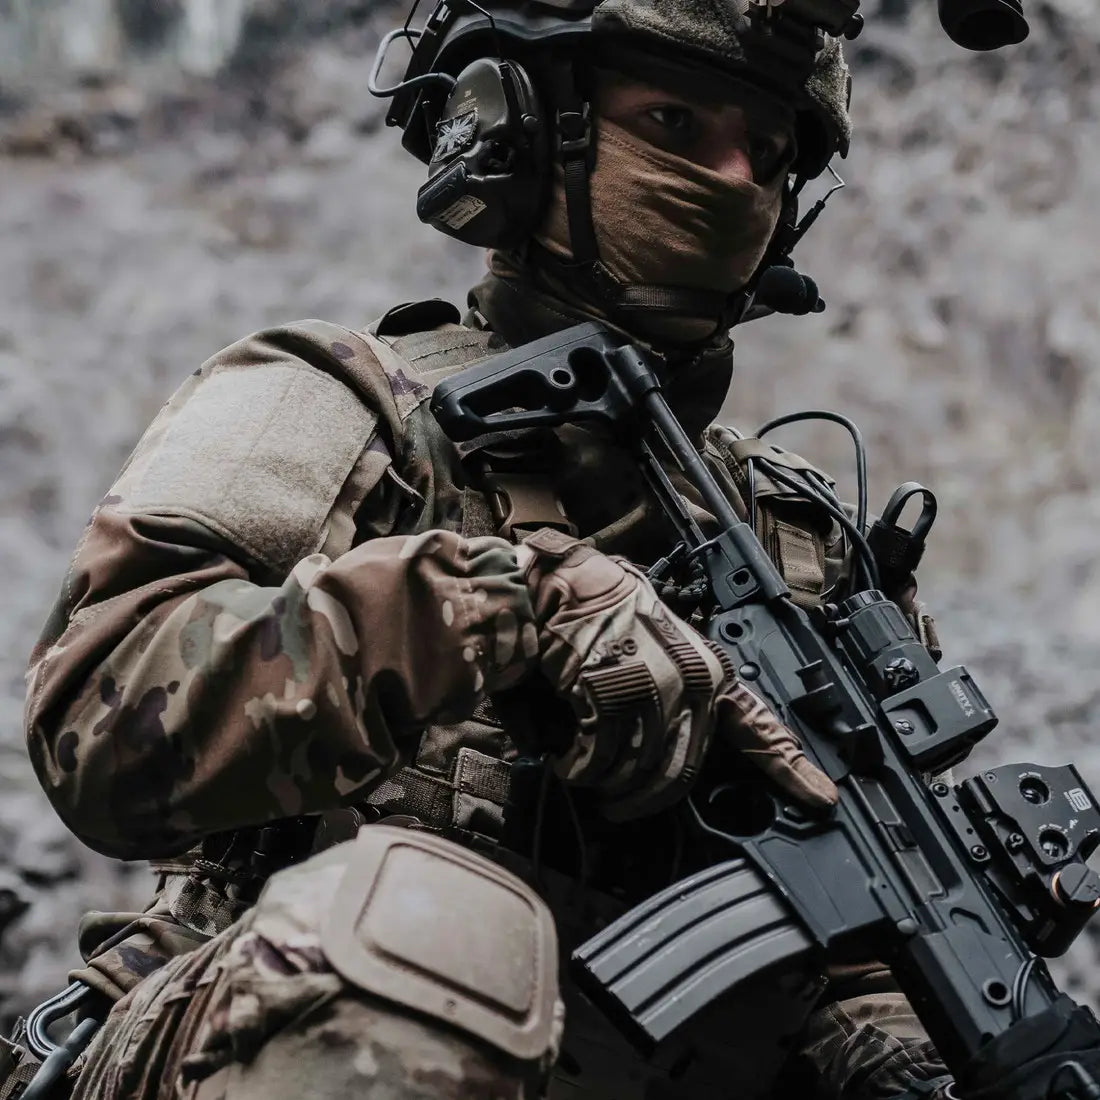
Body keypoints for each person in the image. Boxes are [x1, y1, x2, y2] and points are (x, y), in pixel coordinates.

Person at [9, 1, 957, 1098]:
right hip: (266, 1035)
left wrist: (890, 1027)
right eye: (674, 123)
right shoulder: (337, 403)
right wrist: (494, 605)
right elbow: (100, 725)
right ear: (517, 128)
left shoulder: (807, 548)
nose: (735, 179)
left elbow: (863, 932)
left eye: (770, 154)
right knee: (434, 943)